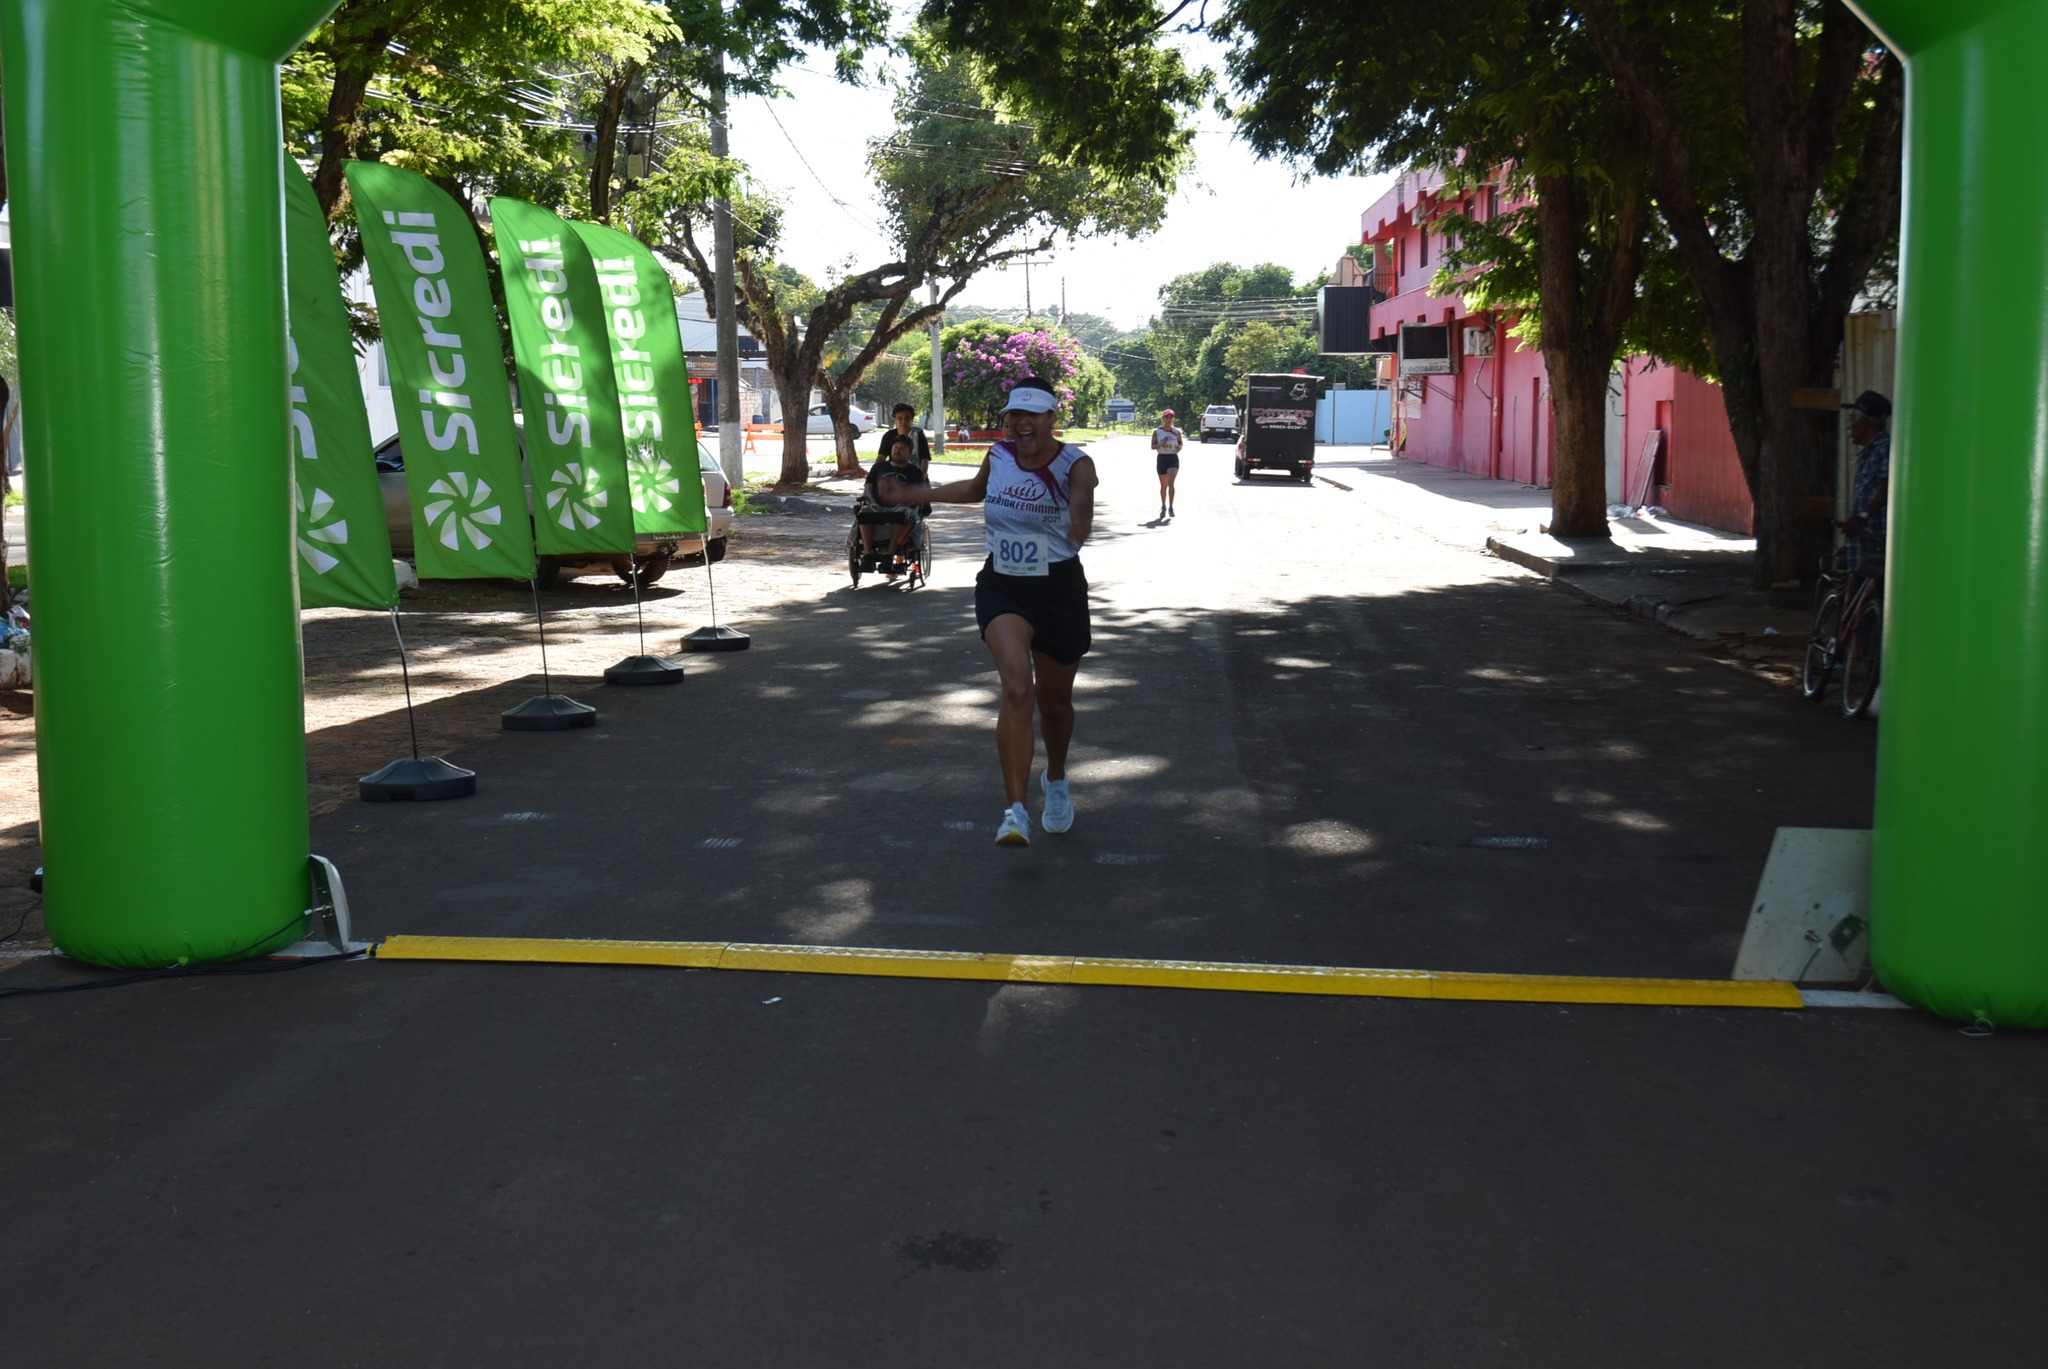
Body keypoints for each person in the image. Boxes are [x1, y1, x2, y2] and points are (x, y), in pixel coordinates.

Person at [871, 376, 1098, 846]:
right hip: (1004, 585)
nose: (1021, 423)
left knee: (1054, 706)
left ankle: (1055, 779)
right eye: (1015, 414)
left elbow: (1081, 505)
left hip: (1058, 589)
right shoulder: (997, 456)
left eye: (1032, 414)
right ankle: (1014, 811)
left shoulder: (1077, 463)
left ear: (1053, 418)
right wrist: (913, 495)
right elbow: (976, 490)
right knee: (1017, 687)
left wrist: (1077, 525)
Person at [1839, 390, 1892, 577]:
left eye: (1852, 419)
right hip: (1864, 545)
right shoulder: (1870, 452)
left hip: (1875, 544)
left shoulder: (1883, 448)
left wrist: (1862, 516)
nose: (1850, 425)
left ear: (1865, 422)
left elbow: (1889, 486)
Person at [859, 434, 927, 568]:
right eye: (895, 447)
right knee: (864, 511)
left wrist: (903, 504)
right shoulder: (879, 467)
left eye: (902, 448)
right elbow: (867, 489)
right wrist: (873, 503)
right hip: (878, 507)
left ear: (909, 452)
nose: (897, 450)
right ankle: (868, 555)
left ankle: (889, 556)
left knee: (901, 513)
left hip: (903, 508)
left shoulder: (915, 472)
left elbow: (916, 495)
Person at [875, 402, 932, 471]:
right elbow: (881, 457)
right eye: (900, 418)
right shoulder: (888, 436)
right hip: (894, 476)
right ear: (894, 420)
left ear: (912, 420)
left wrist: (921, 479)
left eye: (907, 418)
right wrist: (875, 473)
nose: (903, 421)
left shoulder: (918, 434)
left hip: (916, 475)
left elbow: (924, 460)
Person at [1150, 408, 1183, 518]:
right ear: (1163, 418)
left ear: (1173, 419)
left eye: (1171, 417)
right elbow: (1152, 446)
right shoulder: (1157, 431)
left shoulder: (1176, 432)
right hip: (1162, 458)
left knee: (1171, 483)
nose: (1169, 419)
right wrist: (1161, 444)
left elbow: (1180, 444)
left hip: (1172, 458)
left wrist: (1178, 448)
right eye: (1167, 417)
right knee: (1163, 485)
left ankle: (1171, 507)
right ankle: (1163, 506)